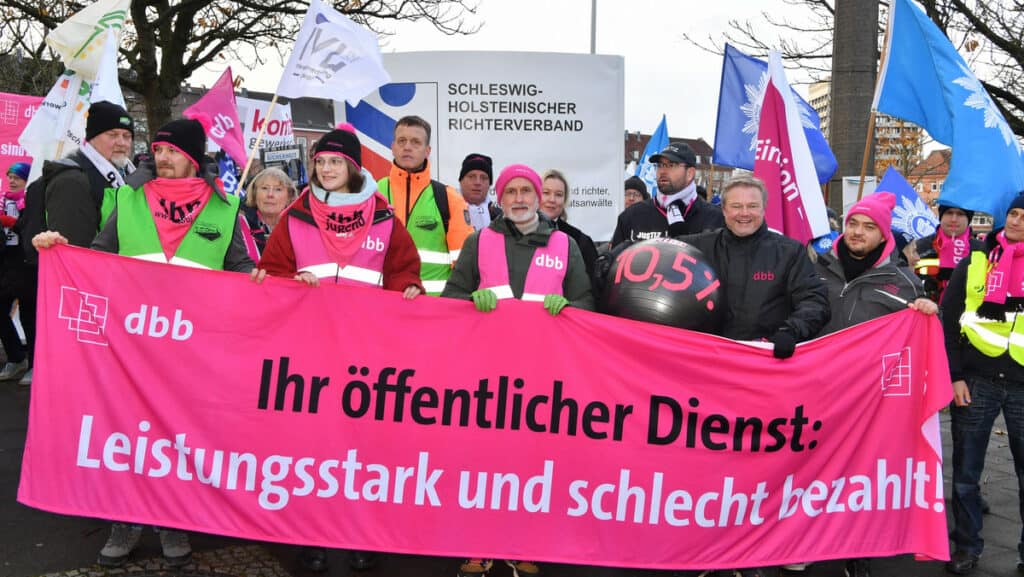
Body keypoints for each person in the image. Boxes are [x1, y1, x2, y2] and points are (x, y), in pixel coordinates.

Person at [34, 117, 255, 568]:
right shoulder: (130, 197)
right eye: (157, 150)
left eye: (171, 151)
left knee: (176, 438)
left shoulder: (225, 207)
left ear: (193, 157)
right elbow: (99, 256)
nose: (162, 158)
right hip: (134, 342)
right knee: (127, 434)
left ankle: (172, 521)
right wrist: (59, 250)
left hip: (194, 348)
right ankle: (124, 520)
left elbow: (239, 270)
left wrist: (255, 283)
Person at [257, 124, 421, 573]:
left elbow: (404, 269)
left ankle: (358, 534)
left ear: (352, 167)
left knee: (361, 449)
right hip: (308, 353)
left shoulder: (384, 218)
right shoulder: (296, 216)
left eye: (335, 162)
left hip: (365, 355)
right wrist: (293, 283)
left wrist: (409, 289)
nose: (327, 169)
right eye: (321, 162)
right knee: (310, 449)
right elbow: (270, 274)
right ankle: (310, 534)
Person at [442, 163, 592, 577]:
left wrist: (571, 308)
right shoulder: (480, 241)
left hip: (546, 375)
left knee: (537, 461)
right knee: (483, 460)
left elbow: (587, 303)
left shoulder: (565, 245)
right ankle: (478, 543)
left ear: (538, 197)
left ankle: (529, 542)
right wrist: (471, 299)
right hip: (488, 372)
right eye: (512, 192)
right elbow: (453, 297)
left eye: (528, 190)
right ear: (501, 198)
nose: (521, 198)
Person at [681, 175, 829, 577]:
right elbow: (647, 259)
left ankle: (775, 544)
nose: (744, 214)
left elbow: (815, 300)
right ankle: (710, 545)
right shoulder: (699, 245)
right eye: (736, 206)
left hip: (766, 378)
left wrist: (791, 332)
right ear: (723, 209)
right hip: (708, 377)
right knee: (710, 463)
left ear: (763, 209)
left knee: (767, 466)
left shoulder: (788, 252)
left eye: (752, 206)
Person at [810, 192, 937, 577]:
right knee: (816, 473)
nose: (857, 233)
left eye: (869, 227)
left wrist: (930, 312)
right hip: (816, 392)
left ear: (883, 237)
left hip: (871, 402)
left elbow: (919, 335)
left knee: (860, 478)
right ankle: (814, 541)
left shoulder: (903, 282)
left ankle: (859, 550)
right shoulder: (814, 267)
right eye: (853, 224)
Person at [18, 101, 136, 387]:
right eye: (113, 135)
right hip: (85, 305)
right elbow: (75, 255)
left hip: (112, 297)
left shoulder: (122, 175)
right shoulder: (75, 178)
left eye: (127, 136)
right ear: (92, 137)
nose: (121, 143)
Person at [941, 192, 1024, 576]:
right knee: (965, 475)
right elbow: (950, 319)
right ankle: (967, 546)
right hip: (976, 379)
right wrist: (954, 375)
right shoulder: (975, 259)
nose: (1016, 222)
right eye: (1013, 214)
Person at [377, 115, 473, 294]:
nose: (407, 147)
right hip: (384, 302)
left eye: (415, 142)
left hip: (432, 307)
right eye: (402, 141)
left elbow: (465, 264)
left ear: (427, 150)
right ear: (393, 147)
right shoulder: (373, 194)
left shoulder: (448, 198)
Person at [610, 142, 723, 248]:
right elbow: (616, 263)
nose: (662, 171)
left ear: (690, 173)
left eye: (671, 165)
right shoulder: (632, 216)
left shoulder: (715, 218)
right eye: (660, 165)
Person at [915, 204, 984, 303]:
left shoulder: (982, 250)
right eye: (949, 213)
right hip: (926, 310)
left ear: (969, 219)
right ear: (941, 216)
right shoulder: (920, 247)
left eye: (960, 214)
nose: (954, 219)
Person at [540, 169, 599, 278]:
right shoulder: (520, 234)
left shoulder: (580, 241)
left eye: (558, 194)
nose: (552, 199)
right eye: (546, 193)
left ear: (565, 200)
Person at [0, 162, 29, 381]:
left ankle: (33, 363)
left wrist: (11, 222)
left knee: (29, 315)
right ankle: (16, 357)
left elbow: (29, 227)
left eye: (17, 177)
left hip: (25, 262)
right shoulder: (2, 199)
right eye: (9, 176)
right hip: (4, 260)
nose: (11, 180)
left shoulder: (30, 200)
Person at [242, 167, 298, 255]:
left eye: (278, 189)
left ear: (289, 196)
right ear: (254, 193)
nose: (270, 194)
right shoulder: (240, 225)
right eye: (264, 188)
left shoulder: (300, 227)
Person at [459, 153, 501, 230]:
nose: (478, 182)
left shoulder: (501, 218)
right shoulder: (446, 211)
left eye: (483, 178)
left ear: (489, 184)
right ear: (461, 181)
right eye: (471, 176)